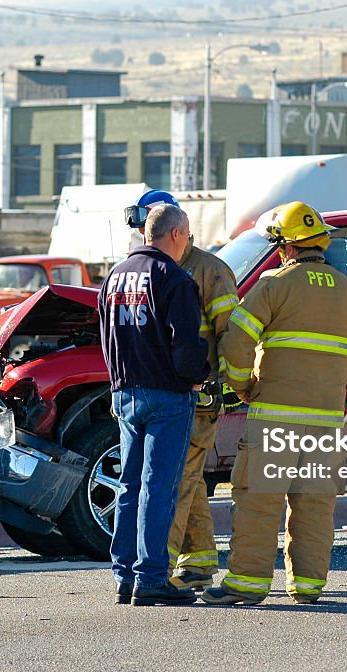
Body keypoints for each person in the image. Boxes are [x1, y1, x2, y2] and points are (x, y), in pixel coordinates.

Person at [202, 201, 347, 605]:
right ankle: (308, 586)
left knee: (259, 500)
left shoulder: (272, 285)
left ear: (287, 248)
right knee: (315, 503)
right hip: (326, 423)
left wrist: (243, 386)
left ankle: (246, 585)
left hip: (274, 419)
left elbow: (236, 341)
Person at [124, 189, 239, 590]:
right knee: (184, 478)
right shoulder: (149, 269)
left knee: (175, 480)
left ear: (177, 230)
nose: (144, 237)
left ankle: (160, 572)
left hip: (198, 395)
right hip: (163, 393)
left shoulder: (209, 270)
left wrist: (224, 386)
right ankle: (201, 562)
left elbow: (231, 334)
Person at [99, 203, 211, 607]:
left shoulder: (114, 276)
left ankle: (123, 576)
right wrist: (200, 372)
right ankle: (150, 579)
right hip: (168, 396)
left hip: (125, 393)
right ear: (176, 235)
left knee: (129, 486)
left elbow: (106, 337)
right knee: (158, 488)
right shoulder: (174, 278)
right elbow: (186, 348)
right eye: (188, 237)